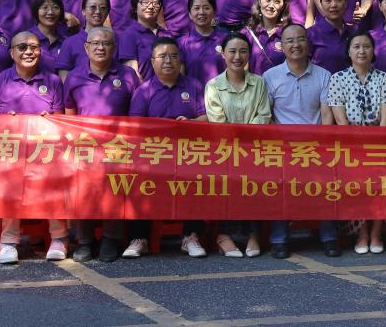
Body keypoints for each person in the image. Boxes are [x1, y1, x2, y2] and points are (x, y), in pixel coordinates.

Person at [0, 31, 69, 264]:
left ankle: (59, 238)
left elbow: (60, 120)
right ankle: (8, 242)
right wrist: (4, 121)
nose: (28, 52)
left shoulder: (53, 81)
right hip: (10, 153)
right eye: (22, 47)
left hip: (45, 152)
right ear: (11, 53)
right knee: (11, 183)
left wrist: (49, 120)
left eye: (33, 47)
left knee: (54, 182)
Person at [125, 36, 208, 259]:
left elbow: (206, 118)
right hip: (153, 154)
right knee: (138, 180)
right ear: (153, 62)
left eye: (173, 56)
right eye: (162, 56)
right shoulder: (144, 90)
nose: (168, 61)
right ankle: (139, 238)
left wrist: (189, 124)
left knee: (197, 179)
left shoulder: (194, 86)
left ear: (180, 60)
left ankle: (190, 236)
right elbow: (136, 126)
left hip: (187, 154)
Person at [63, 27, 140, 262]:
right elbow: (69, 114)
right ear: (86, 48)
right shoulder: (74, 76)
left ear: (114, 48)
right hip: (85, 146)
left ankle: (110, 239)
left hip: (119, 145)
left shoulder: (128, 75)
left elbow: (136, 112)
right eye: (95, 43)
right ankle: (85, 241)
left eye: (106, 43)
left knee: (114, 191)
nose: (100, 47)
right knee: (84, 192)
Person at [263, 23, 338, 258]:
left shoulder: (324, 75)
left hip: (316, 147)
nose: (295, 45)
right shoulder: (270, 76)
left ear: (308, 43)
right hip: (283, 148)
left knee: (327, 186)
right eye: (289, 41)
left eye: (300, 39)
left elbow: (327, 115)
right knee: (279, 187)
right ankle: (279, 239)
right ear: (281, 46)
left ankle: (329, 237)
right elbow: (268, 115)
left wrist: (322, 147)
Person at [326, 31, 386, 254]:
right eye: (356, 46)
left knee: (382, 185)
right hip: (350, 144)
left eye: (366, 46)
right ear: (349, 51)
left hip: (379, 143)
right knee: (356, 186)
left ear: (373, 51)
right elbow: (340, 121)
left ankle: (376, 232)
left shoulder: (384, 78)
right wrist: (355, 148)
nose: (362, 51)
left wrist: (378, 148)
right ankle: (362, 233)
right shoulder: (337, 79)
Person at [204, 32, 271, 257]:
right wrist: (238, 142)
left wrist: (246, 142)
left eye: (243, 51)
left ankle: (253, 234)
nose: (237, 56)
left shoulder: (259, 82)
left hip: (254, 149)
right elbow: (218, 123)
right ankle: (224, 235)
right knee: (226, 182)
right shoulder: (213, 86)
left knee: (255, 183)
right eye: (232, 51)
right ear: (223, 54)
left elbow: (263, 115)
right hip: (224, 151)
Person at [55, 0, 111, 79]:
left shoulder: (115, 41)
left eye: (103, 8)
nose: (98, 11)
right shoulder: (70, 43)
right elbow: (64, 76)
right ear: (83, 11)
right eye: (92, 7)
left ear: (107, 12)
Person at [118, 0, 167, 81]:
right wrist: (146, 90)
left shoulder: (166, 35)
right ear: (135, 7)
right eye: (145, 2)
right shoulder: (129, 35)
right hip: (142, 89)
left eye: (156, 2)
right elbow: (132, 73)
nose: (151, 6)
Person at [178, 0, 227, 86]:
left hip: (222, 94)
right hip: (193, 94)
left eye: (206, 8)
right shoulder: (182, 44)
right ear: (190, 14)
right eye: (196, 8)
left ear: (214, 12)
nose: (201, 12)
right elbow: (180, 78)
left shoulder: (226, 40)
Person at [307, 0, 354, 73]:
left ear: (345, 3)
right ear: (321, 3)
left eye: (338, 0)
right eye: (328, 1)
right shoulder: (311, 34)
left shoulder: (353, 32)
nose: (333, 5)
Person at [245, 0, 290, 75]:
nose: (271, 6)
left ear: (283, 6)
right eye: (267, 0)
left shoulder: (288, 34)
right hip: (254, 84)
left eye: (277, 1)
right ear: (259, 1)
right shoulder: (247, 34)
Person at [30, 0, 70, 75]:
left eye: (55, 7)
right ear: (36, 10)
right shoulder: (27, 39)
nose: (50, 12)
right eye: (45, 7)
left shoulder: (66, 42)